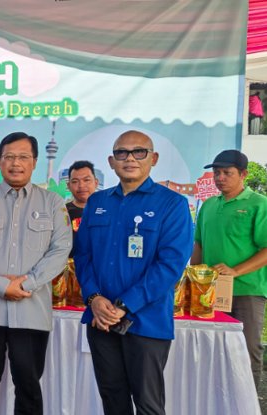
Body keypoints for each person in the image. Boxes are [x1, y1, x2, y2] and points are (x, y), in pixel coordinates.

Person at [74, 130, 193, 415]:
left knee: (148, 404)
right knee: (112, 400)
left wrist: (124, 305)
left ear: (154, 158)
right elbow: (83, 256)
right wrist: (94, 298)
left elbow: (171, 264)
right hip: (101, 320)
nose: (130, 158)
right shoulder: (97, 202)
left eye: (139, 152)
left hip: (147, 321)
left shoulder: (172, 204)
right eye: (122, 153)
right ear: (111, 161)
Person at [0, 132, 71, 415]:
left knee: (29, 387)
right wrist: (0, 285)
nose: (16, 163)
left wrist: (27, 283)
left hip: (31, 311)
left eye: (23, 157)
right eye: (9, 157)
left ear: (34, 162)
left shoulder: (53, 203)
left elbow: (60, 250)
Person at [191, 150, 267, 390]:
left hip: (247, 290)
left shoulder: (259, 204)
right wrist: (194, 281)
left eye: (227, 173)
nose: (220, 178)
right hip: (210, 292)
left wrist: (235, 271)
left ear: (243, 174)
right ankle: (214, 400)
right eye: (216, 173)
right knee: (210, 347)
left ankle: (248, 403)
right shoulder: (208, 205)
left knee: (246, 349)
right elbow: (199, 244)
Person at [66, 160, 98, 257]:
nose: (81, 185)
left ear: (96, 183)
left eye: (86, 180)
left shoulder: (108, 210)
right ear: (69, 186)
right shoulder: (62, 212)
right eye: (75, 181)